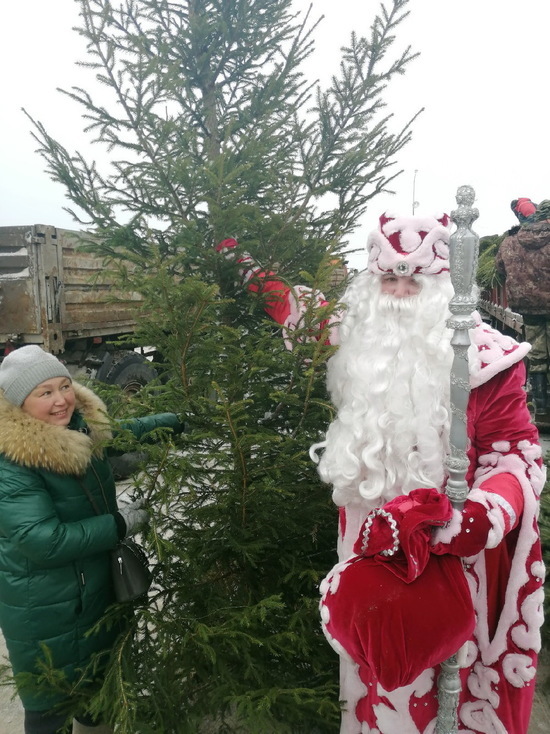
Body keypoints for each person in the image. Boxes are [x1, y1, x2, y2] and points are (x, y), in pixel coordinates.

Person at [217, 211, 545, 733]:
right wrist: (241, 264)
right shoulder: (357, 332)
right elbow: (293, 307)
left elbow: (517, 454)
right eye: (387, 279)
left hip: (446, 551)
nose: (396, 292)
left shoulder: (488, 358)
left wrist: (482, 514)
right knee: (374, 677)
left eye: (411, 280)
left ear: (440, 284)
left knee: (445, 688)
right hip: (367, 545)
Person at [0, 345, 181, 734]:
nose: (61, 400)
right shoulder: (12, 461)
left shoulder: (79, 428)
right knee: (52, 707)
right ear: (18, 402)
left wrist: (171, 421)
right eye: (44, 392)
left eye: (64, 386)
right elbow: (42, 541)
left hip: (90, 591)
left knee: (96, 694)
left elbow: (119, 434)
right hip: (47, 608)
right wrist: (117, 525)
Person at [496, 202, 550, 417]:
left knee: (537, 354)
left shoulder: (509, 242)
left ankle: (542, 408)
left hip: (529, 307)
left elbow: (500, 270)